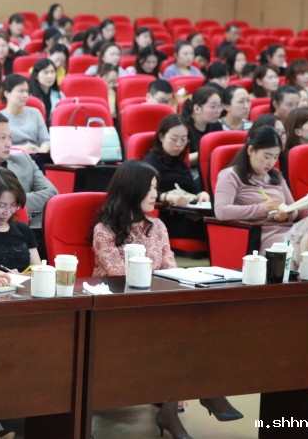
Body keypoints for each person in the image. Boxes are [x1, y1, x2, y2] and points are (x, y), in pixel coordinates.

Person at [91, 159, 241, 438]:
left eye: (156, 188)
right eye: (150, 188)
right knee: (176, 335)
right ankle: (202, 395)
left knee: (195, 327)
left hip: (155, 306)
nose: (155, 194)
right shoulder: (105, 229)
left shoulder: (157, 226)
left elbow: (171, 269)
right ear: (132, 189)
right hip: (117, 309)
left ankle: (172, 410)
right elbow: (119, 274)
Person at [0, 111, 57, 230]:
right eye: (2, 138)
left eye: (10, 137)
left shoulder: (24, 160)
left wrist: (9, 202)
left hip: (38, 230)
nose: (9, 144)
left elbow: (52, 194)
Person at [214, 126, 297, 250]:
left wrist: (287, 214)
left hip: (288, 229)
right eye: (267, 156)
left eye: (276, 157)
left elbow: (294, 210)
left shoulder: (276, 175)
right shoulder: (230, 175)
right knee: (304, 245)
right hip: (262, 234)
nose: (271, 163)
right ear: (251, 150)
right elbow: (221, 211)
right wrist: (261, 209)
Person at [143, 115, 209, 241]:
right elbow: (142, 191)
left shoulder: (180, 162)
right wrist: (167, 197)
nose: (179, 144)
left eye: (184, 139)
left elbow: (192, 189)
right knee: (210, 226)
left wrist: (202, 194)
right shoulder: (150, 162)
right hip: (165, 215)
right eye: (174, 139)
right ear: (161, 137)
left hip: (187, 212)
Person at [0, 73, 50, 154]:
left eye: (27, 91)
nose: (25, 95)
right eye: (21, 91)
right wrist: (21, 149)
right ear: (7, 94)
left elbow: (46, 140)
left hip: (35, 155)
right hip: (11, 157)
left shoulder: (35, 113)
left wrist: (42, 150)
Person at [184, 86, 223, 168]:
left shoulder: (216, 125)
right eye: (213, 107)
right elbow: (181, 159)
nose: (218, 111)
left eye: (220, 106)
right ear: (197, 109)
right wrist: (205, 153)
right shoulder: (183, 127)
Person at [28, 58, 64, 125]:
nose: (50, 76)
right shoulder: (29, 96)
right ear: (36, 76)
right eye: (46, 72)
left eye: (52, 72)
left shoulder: (59, 95)